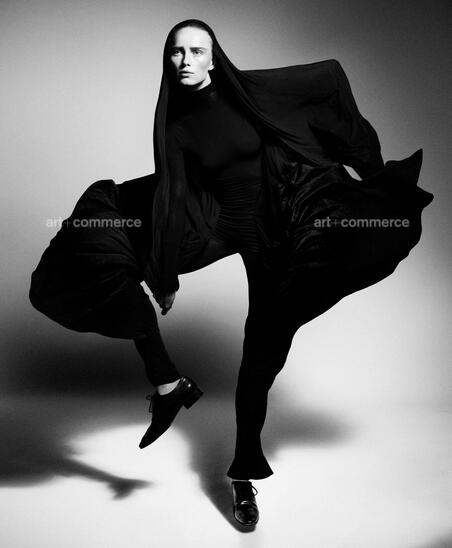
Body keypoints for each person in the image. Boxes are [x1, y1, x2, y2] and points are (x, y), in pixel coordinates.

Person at [29, 19, 434, 527]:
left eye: (196, 51)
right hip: (216, 227)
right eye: (176, 52)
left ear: (214, 57)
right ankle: (167, 383)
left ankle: (243, 474)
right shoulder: (175, 124)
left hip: (278, 226)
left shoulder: (249, 94)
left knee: (262, 355)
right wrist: (165, 277)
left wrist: (372, 173)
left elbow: (330, 76)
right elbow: (172, 195)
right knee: (90, 241)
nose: (185, 61)